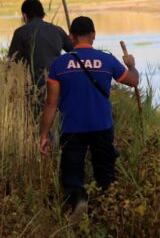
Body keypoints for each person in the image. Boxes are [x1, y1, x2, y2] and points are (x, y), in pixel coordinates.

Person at [39, 16, 140, 220]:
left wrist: (44, 135)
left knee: (72, 174)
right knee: (105, 173)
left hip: (71, 128)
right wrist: (131, 65)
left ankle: (80, 201)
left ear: (71, 37)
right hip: (102, 126)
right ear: (93, 35)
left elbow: (51, 104)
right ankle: (109, 213)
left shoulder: (59, 64)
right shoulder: (107, 59)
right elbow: (134, 81)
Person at [8, 0, 74, 111]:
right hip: (57, 86)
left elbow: (12, 63)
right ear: (43, 14)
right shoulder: (57, 30)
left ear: (24, 16)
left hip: (32, 89)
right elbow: (74, 50)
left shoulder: (20, 32)